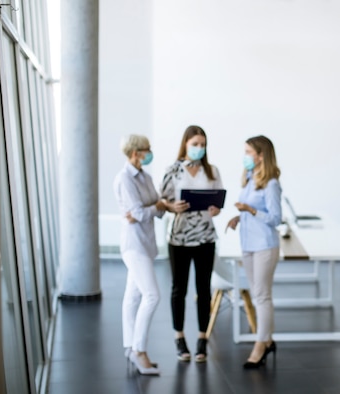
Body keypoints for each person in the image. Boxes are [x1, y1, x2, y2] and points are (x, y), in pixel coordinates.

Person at [159, 125, 223, 362]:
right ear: (185, 144)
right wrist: (170, 206)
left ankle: (202, 338)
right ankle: (179, 337)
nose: (199, 148)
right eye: (195, 143)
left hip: (206, 236)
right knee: (179, 288)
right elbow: (161, 200)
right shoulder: (173, 170)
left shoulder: (212, 171)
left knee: (204, 289)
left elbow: (218, 200)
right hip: (179, 238)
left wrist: (216, 209)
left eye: (203, 144)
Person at [226, 135, 282, 369]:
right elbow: (254, 211)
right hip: (248, 244)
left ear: (261, 156)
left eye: (249, 152)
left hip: (264, 246)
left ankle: (261, 345)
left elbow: (276, 218)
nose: (245, 156)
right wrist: (240, 216)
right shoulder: (250, 178)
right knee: (257, 292)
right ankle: (267, 340)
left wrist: (249, 209)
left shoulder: (271, 184)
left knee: (261, 296)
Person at [113, 134, 166, 375]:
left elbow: (150, 208)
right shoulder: (124, 179)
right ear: (136, 153)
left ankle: (129, 346)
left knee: (133, 297)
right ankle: (139, 350)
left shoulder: (146, 177)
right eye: (147, 150)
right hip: (134, 246)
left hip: (146, 242)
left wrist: (156, 208)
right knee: (152, 296)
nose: (149, 153)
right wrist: (153, 208)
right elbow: (139, 212)